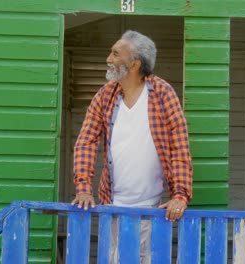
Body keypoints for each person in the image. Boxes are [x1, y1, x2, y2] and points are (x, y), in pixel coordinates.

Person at [71, 30, 193, 262]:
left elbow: (179, 145)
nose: (109, 58)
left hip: (151, 210)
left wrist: (180, 195)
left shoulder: (162, 93)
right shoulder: (105, 95)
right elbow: (86, 140)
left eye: (115, 54)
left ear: (135, 64)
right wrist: (83, 187)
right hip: (111, 206)